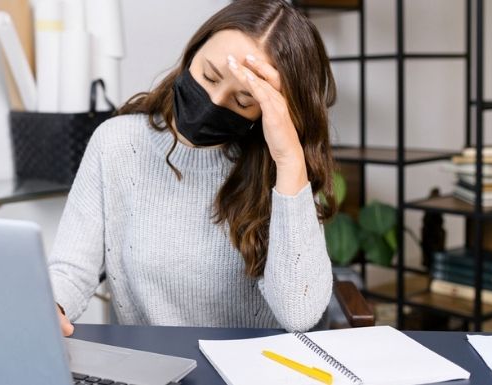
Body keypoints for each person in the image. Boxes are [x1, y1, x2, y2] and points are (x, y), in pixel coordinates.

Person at [49, 0, 338, 335]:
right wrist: (53, 307)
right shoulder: (116, 143)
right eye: (209, 75)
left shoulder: (279, 171)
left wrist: (289, 159)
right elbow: (70, 269)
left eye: (243, 101)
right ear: (192, 53)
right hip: (150, 368)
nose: (213, 102)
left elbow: (299, 314)